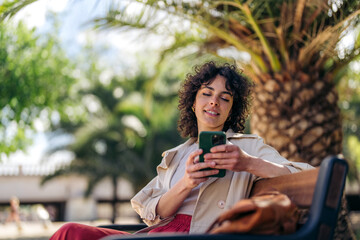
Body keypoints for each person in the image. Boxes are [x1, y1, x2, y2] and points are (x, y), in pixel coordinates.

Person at [50, 61, 312, 240]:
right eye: (207, 94)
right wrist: (186, 183)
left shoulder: (247, 146)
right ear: (193, 103)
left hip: (197, 235)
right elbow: (153, 212)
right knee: (70, 232)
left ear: (232, 108)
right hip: (162, 233)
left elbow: (304, 174)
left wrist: (247, 163)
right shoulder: (176, 155)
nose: (214, 102)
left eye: (225, 98)